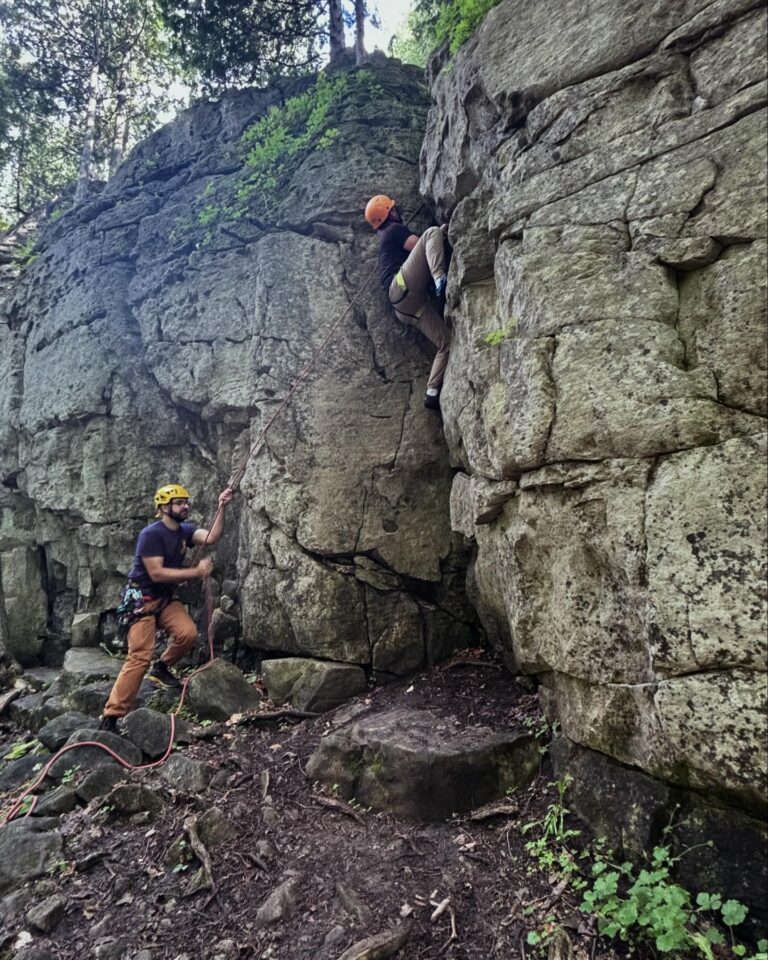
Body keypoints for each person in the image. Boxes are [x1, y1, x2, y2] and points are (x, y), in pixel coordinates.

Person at [99, 483, 234, 731]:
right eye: (179, 503)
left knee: (188, 634)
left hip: (164, 600)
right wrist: (196, 572)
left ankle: (161, 667)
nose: (185, 506)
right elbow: (157, 573)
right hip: (142, 600)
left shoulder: (184, 531)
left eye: (186, 502)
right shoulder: (151, 534)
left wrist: (221, 506)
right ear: (163, 507)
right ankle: (111, 716)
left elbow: (212, 536)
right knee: (139, 657)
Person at [365, 194, 450, 410]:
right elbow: (418, 245)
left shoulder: (384, 236)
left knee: (445, 343)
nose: (397, 210)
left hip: (405, 308)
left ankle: (432, 392)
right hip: (402, 285)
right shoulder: (393, 230)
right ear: (389, 212)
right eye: (393, 208)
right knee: (430, 233)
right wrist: (440, 233)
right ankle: (440, 278)